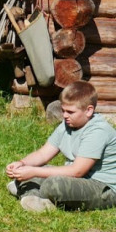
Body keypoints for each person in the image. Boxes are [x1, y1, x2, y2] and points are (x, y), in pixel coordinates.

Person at [6, 81, 116, 213]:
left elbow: (77, 171)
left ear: (89, 110)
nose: (64, 116)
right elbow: (43, 154)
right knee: (33, 171)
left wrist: (33, 172)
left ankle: (29, 191)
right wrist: (22, 164)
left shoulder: (98, 130)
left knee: (52, 185)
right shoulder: (67, 124)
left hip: (103, 187)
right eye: (63, 110)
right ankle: (34, 198)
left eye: (70, 112)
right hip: (76, 178)